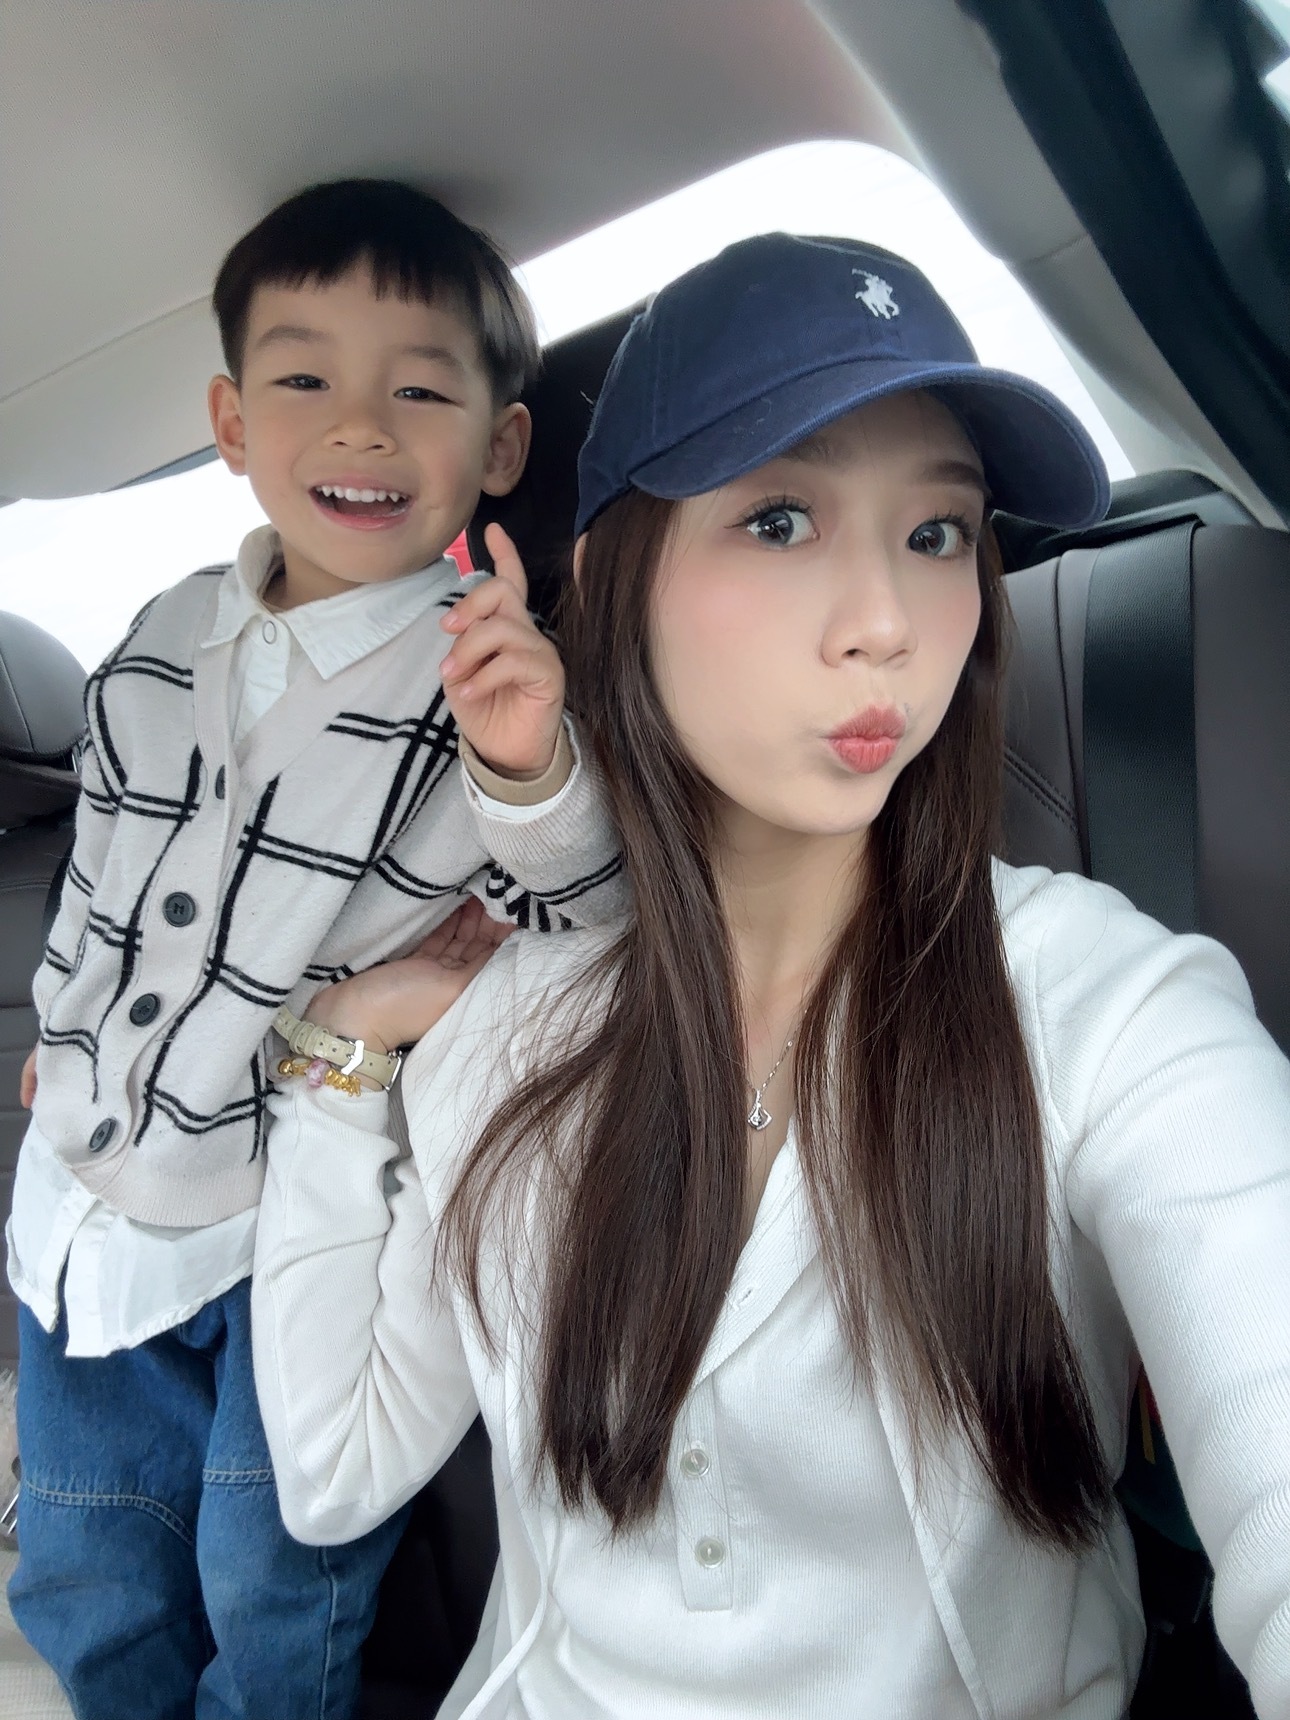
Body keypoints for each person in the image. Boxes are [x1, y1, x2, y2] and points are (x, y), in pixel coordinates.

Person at [250, 234, 1290, 1719]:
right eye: (783, 519)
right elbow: (332, 1472)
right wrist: (346, 1048)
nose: (886, 624)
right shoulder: (509, 1033)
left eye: (938, 534)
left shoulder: (1104, 1008)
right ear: (613, 580)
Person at [7, 178, 623, 1719]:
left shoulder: (487, 674)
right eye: (302, 381)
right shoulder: (159, 640)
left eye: (417, 391)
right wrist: (65, 1026)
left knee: (276, 1579)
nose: (358, 427)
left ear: (498, 447)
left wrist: (531, 763)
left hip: (295, 1216)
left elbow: (585, 920)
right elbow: (96, 872)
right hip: (90, 1194)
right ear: (230, 421)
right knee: (81, 1565)